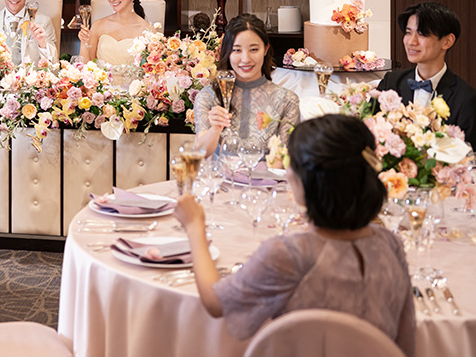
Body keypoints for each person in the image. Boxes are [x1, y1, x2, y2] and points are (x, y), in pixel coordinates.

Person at [174, 114, 415, 356]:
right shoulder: (390, 244)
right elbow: (406, 338)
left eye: (292, 164)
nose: (287, 173)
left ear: (310, 180)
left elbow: (215, 302)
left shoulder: (288, 254)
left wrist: (195, 226)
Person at [377, 2, 476, 150]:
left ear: (447, 41)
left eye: (422, 34)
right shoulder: (391, 83)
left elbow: (473, 158)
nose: (411, 42)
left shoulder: (468, 100)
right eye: (408, 32)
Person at [194, 14, 299, 157]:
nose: (245, 59)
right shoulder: (208, 96)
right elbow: (201, 153)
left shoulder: (287, 100)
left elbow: (285, 158)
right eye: (237, 50)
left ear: (265, 49)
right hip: (221, 172)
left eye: (254, 49)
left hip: (268, 172)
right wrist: (215, 129)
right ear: (227, 52)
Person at [78, 0, 151, 65]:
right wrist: (84, 43)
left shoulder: (148, 31)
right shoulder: (98, 26)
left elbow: (152, 70)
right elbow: (86, 66)